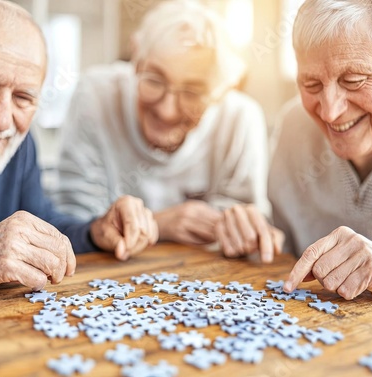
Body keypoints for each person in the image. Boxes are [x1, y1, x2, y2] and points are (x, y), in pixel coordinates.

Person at [0, 0, 158, 297]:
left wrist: (94, 233)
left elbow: (43, 223)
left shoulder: (16, 143)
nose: (2, 121)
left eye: (23, 98)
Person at [53, 0, 282, 260]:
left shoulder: (241, 118)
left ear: (220, 93)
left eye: (192, 92)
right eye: (154, 79)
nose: (166, 110)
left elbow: (246, 222)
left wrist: (245, 229)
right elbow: (73, 226)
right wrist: (161, 224)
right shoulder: (95, 96)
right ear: (136, 62)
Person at [267, 0, 372, 300]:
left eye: (354, 80)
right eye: (311, 84)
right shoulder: (294, 127)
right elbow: (279, 246)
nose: (330, 112)